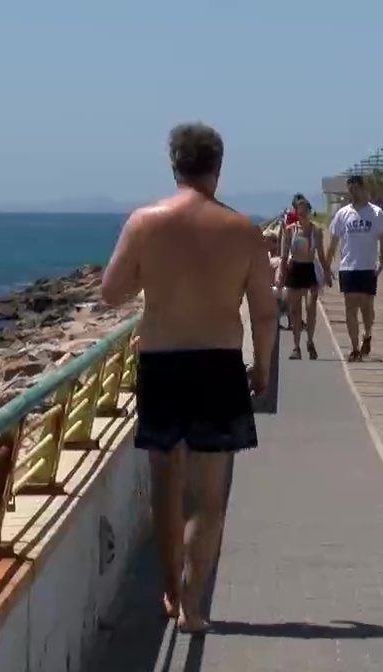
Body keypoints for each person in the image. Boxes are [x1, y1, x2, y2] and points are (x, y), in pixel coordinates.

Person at [99, 121, 277, 634]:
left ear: (173, 165)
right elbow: (264, 314)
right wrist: (261, 367)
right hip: (219, 365)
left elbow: (112, 293)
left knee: (166, 488)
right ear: (217, 168)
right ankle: (196, 607)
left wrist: (149, 276)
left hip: (162, 361)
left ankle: (170, 593)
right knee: (209, 494)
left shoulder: (144, 221)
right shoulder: (243, 231)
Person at [325, 175, 383, 362]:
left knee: (367, 307)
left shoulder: (375, 213)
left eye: (356, 188)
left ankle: (367, 334)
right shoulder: (342, 214)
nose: (353, 192)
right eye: (350, 189)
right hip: (348, 266)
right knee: (350, 308)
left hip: (368, 266)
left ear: (363, 188)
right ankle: (354, 348)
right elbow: (333, 241)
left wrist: (381, 259)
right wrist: (327, 266)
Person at [280, 197, 326, 359]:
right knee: (295, 309)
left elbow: (320, 254)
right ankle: (296, 346)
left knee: (310, 307)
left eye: (304, 207)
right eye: (299, 208)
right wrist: (281, 273)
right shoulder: (290, 230)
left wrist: (326, 272)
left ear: (309, 209)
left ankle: (310, 341)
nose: (302, 211)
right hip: (295, 269)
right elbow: (284, 255)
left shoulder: (316, 230)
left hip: (310, 269)